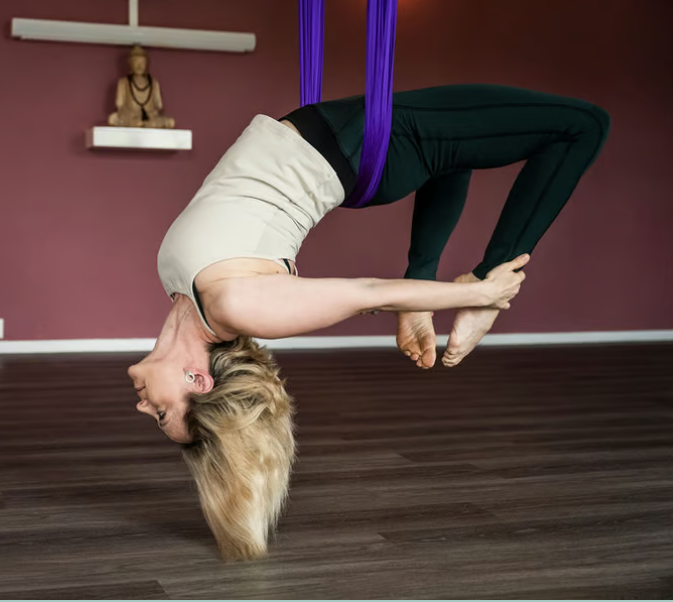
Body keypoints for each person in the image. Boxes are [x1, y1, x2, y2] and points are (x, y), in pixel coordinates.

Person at [126, 84, 610, 560]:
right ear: (199, 378)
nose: (144, 409)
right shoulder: (236, 309)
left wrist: (417, 297)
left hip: (345, 140)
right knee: (583, 125)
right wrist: (482, 293)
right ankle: (488, 282)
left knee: (455, 152)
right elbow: (367, 293)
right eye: (162, 415)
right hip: (362, 147)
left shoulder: (178, 289)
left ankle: (427, 278)